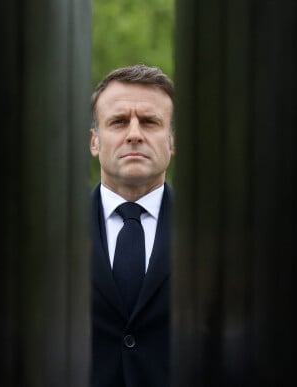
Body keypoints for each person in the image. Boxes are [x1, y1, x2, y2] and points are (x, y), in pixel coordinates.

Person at [89, 64, 174, 387]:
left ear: (172, 141)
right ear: (94, 142)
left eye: (150, 122)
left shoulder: (215, 239)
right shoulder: (48, 240)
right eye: (119, 122)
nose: (135, 134)